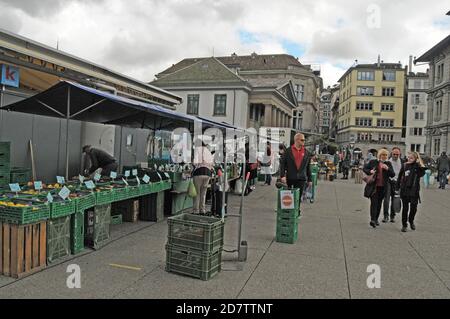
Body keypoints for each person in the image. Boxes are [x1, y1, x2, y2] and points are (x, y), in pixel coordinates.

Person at [279, 133, 312, 215]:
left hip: (301, 178)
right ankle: (288, 211)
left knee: (298, 196)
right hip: (290, 177)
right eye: (302, 140)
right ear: (296, 140)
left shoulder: (307, 153)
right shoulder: (288, 151)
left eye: (304, 140)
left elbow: (308, 167)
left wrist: (310, 179)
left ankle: (297, 211)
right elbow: (282, 163)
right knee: (288, 196)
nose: (304, 141)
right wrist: (282, 175)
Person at [363, 148, 395, 228]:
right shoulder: (373, 162)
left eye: (385, 155)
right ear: (379, 155)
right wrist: (370, 171)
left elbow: (393, 174)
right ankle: (372, 219)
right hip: (374, 186)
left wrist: (387, 169)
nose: (384, 156)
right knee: (374, 203)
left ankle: (376, 218)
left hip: (383, 187)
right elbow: (365, 168)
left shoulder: (388, 164)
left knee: (379, 203)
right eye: (382, 155)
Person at [397, 152, 426, 232]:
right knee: (405, 208)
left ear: (415, 159)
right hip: (405, 189)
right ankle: (404, 225)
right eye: (408, 157)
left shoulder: (417, 167)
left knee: (414, 208)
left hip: (414, 191)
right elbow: (399, 176)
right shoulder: (405, 165)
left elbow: (423, 171)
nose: (409, 159)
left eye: (411, 158)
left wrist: (419, 161)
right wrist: (397, 187)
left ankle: (411, 220)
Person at [192, 140, 214, 215]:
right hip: (208, 174)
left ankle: (196, 211)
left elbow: (195, 162)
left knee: (197, 193)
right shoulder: (208, 151)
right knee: (203, 193)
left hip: (199, 173)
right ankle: (202, 210)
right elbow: (212, 164)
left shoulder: (197, 149)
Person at [382, 147, 403, 223]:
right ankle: (385, 216)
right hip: (389, 181)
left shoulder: (402, 162)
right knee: (386, 199)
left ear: (399, 154)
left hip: (397, 183)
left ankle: (392, 216)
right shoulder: (388, 162)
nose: (395, 156)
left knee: (395, 200)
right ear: (391, 153)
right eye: (394, 154)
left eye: (397, 154)